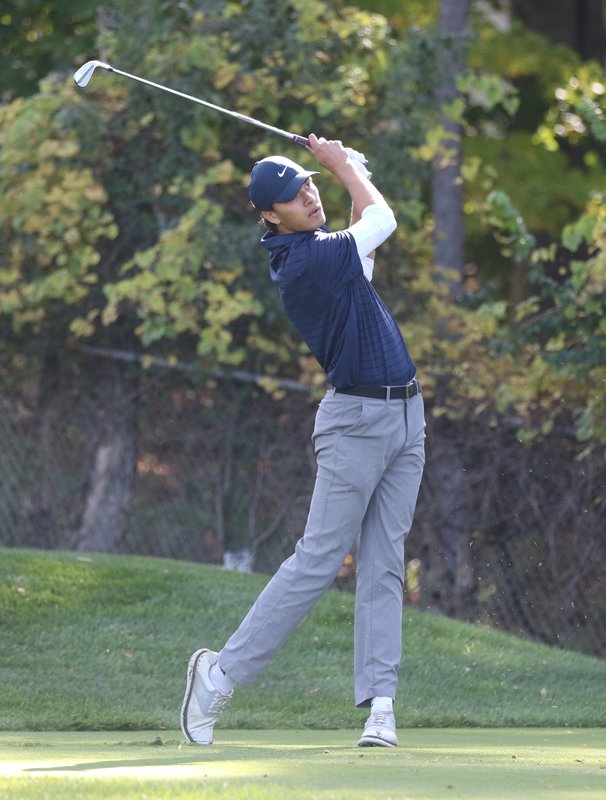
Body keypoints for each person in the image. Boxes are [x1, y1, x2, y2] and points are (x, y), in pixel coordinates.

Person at [179, 134, 426, 748]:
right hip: (355, 423)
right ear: (272, 216)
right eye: (295, 196)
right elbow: (382, 221)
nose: (309, 197)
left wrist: (347, 176)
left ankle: (381, 708)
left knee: (385, 564)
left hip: (406, 416)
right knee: (318, 560)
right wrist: (343, 167)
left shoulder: (326, 252)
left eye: (310, 184)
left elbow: (365, 252)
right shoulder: (303, 261)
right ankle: (218, 675)